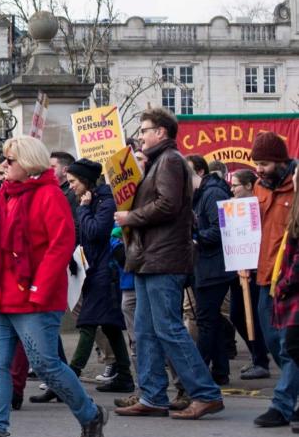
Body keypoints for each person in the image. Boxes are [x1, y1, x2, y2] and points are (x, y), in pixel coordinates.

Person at [0, 136, 107, 437]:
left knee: (46, 364)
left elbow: (60, 245)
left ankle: (91, 415)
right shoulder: (3, 195)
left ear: (28, 162)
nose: (3, 166)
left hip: (33, 297)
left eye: (9, 161)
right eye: (4, 160)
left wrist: (38, 288)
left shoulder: (50, 196)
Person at [113, 107, 223, 419]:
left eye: (145, 130)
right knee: (147, 330)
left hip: (165, 257)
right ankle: (152, 395)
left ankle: (205, 393)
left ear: (161, 132)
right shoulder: (158, 162)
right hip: (150, 258)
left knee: (168, 328)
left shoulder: (171, 160)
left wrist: (130, 217)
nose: (141, 136)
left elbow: (168, 205)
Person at [65, 158, 134, 393]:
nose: (71, 186)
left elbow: (94, 232)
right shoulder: (90, 200)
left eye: (73, 181)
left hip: (106, 271)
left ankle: (69, 379)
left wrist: (83, 210)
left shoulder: (105, 201)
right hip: (93, 270)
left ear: (85, 180)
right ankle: (124, 374)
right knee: (109, 325)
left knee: (88, 322)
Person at [248, 132, 299, 429]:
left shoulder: (295, 190)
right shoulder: (258, 188)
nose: (259, 168)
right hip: (264, 276)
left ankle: (281, 404)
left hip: (290, 278)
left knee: (288, 344)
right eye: (257, 163)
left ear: (281, 162)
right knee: (271, 339)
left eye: (264, 163)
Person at [187, 154, 234, 385]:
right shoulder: (200, 195)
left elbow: (220, 229)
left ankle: (200, 373)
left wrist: (195, 239)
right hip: (205, 265)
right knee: (210, 320)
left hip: (213, 266)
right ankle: (220, 372)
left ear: (200, 172)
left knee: (205, 321)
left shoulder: (212, 193)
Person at [228, 169, 271, 380]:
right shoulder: (232, 206)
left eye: (235, 184)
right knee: (237, 315)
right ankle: (257, 355)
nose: (232, 189)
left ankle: (261, 359)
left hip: (255, 269)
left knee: (255, 315)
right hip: (239, 267)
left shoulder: (258, 206)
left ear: (247, 186)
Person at [268, 163, 299, 433]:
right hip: (276, 279)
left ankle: (284, 403)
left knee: (292, 343)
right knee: (285, 343)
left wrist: (288, 281)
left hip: (290, 285)